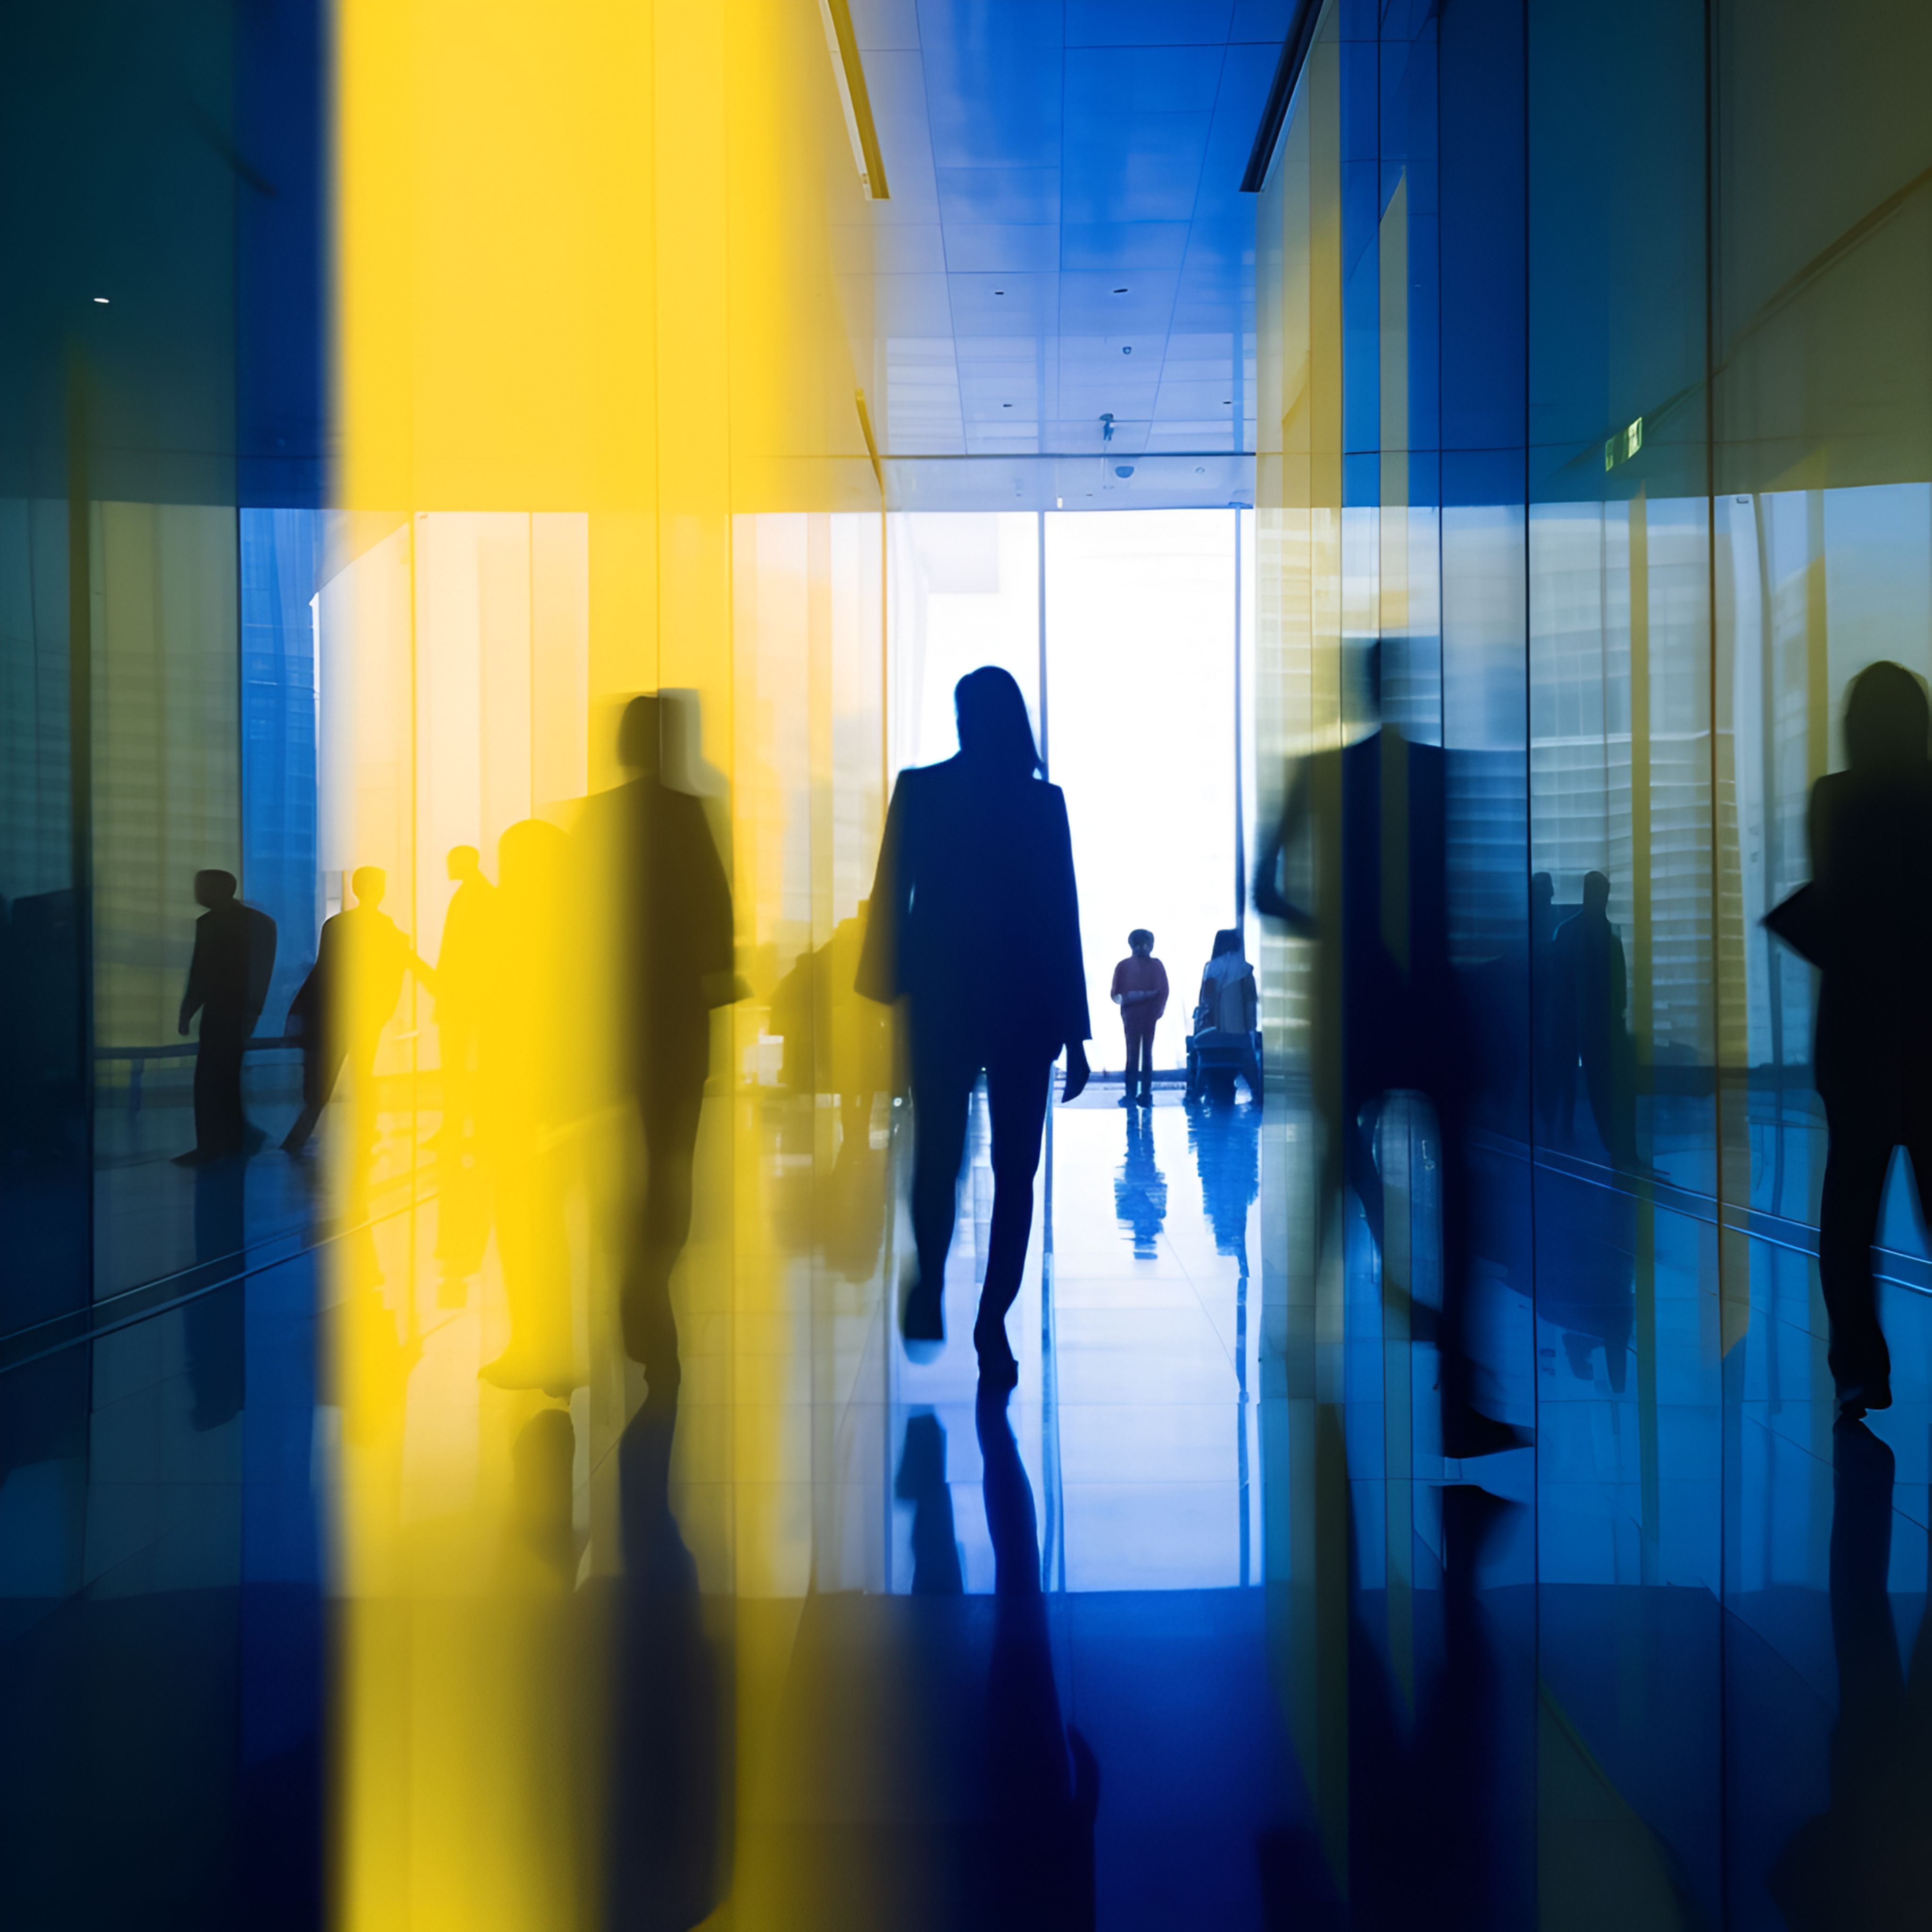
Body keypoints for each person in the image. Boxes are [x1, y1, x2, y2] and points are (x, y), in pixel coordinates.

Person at [1252, 640, 1524, 1459]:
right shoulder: (1441, 773)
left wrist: (1334, 933)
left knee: (1336, 1177)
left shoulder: (1320, 776)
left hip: (1359, 1005)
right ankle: (1460, 1385)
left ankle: (1302, 1342)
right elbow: (1470, 896)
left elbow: (1265, 888)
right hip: (1432, 1005)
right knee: (1462, 1197)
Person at [858, 665, 1090, 1387]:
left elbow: (892, 895)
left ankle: (929, 1278)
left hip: (943, 1001)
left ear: (964, 717)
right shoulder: (1041, 803)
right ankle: (994, 1320)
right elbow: (1062, 918)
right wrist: (1076, 1031)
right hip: (1023, 1007)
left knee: (939, 1153)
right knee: (1017, 1171)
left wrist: (883, 999)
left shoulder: (923, 791)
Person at [578, 692, 736, 1391]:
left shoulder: (602, 815)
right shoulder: (686, 809)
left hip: (621, 1018)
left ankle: (633, 1288)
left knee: (634, 1157)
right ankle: (650, 1286)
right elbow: (713, 907)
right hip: (676, 1019)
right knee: (673, 1157)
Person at [1797, 661, 1932, 1420]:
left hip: (1857, 1042)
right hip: (1928, 1038)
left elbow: (1843, 900)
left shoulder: (1835, 801)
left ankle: (1858, 1368)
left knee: (1850, 1215)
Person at [281, 866, 429, 1157]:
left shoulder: (337, 926)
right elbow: (398, 973)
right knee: (364, 1073)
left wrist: (302, 1007)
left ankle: (303, 1130)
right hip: (367, 1014)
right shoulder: (390, 931)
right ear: (382, 890)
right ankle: (365, 1131)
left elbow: (324, 969)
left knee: (324, 1071)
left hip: (335, 1011)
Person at [175, 869, 276, 1165]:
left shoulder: (211, 924)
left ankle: (212, 1146)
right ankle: (234, 1141)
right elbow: (260, 972)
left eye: (200, 885)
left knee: (209, 1079)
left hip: (222, 1012)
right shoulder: (260, 923)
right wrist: (254, 1009)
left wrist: (188, 1010)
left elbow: (201, 973)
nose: (196, 890)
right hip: (239, 1012)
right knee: (226, 1078)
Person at [1551, 872, 1639, 1169]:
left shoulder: (1596, 932)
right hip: (1584, 1025)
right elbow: (1562, 986)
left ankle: (1616, 1145)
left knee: (1605, 1087)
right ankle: (1614, 1146)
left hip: (1603, 1025)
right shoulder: (1576, 933)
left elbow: (1619, 981)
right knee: (1598, 1086)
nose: (1600, 900)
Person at [434, 843, 495, 1149]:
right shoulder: (482, 893)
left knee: (456, 1063)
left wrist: (443, 988)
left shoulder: (472, 896)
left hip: (462, 995)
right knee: (466, 1063)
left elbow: (459, 951)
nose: (447, 866)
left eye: (450, 860)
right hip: (470, 994)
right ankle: (466, 1128)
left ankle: (456, 1129)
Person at [1192, 927, 1262, 1104]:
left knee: (1206, 1059)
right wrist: (1251, 1025)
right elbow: (1251, 999)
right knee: (1247, 1060)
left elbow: (1207, 998)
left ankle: (1197, 1094)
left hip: (1215, 1022)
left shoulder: (1212, 966)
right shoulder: (1245, 968)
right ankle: (1257, 1094)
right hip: (1239, 1024)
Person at [1110, 929, 1167, 1108]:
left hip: (1144, 1016)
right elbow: (1117, 994)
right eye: (1139, 944)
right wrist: (1146, 997)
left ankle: (1143, 1094)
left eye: (1146, 944)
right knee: (1134, 1055)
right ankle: (1133, 1093)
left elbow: (1163, 992)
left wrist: (1155, 1009)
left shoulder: (1155, 966)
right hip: (1133, 1017)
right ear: (1132, 945)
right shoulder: (1124, 966)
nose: (1143, 948)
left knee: (1143, 1055)